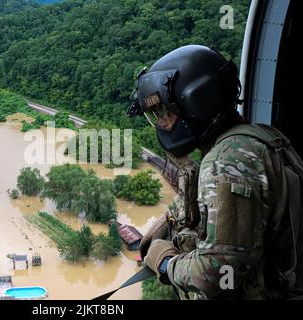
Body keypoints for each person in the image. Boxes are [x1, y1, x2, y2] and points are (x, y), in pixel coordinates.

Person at [128, 45, 303, 299]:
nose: (162, 123)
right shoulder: (260, 137)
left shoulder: (225, 162)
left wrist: (165, 263)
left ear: (196, 102)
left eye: (163, 112)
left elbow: (217, 276)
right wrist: (172, 221)